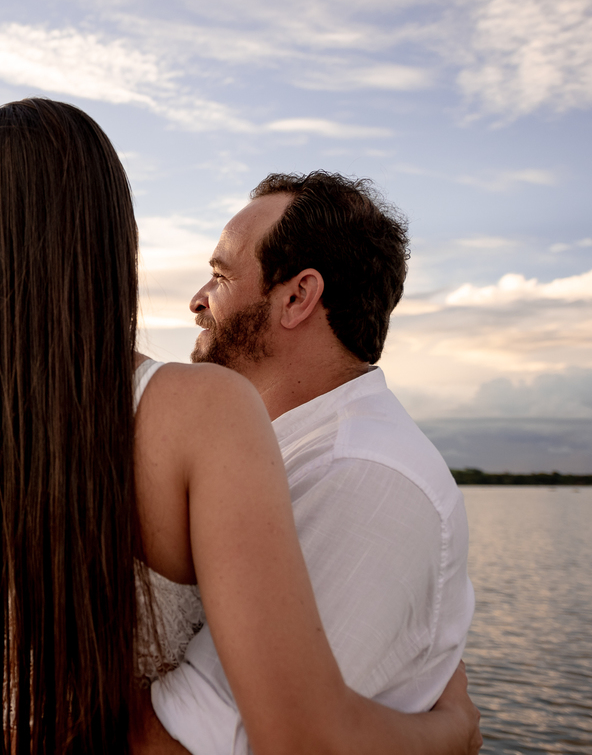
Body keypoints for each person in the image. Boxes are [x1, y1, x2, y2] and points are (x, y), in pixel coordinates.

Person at [0, 99, 481, 755]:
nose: (196, 297)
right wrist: (453, 731)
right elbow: (297, 737)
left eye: (219, 272)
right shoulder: (206, 415)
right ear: (114, 235)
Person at [146, 172, 476, 754]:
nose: (197, 300)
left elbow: (197, 745)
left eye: (221, 276)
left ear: (297, 297)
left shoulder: (361, 475)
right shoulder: (276, 453)